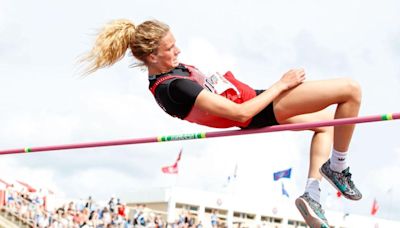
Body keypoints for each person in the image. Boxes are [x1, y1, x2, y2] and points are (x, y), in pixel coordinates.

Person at [80, 19, 362, 227]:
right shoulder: (175, 87)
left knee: (327, 125)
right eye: (170, 47)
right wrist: (282, 84)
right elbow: (240, 114)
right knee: (350, 90)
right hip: (260, 108)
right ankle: (338, 168)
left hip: (259, 103)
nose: (178, 50)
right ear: (153, 56)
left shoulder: (169, 74)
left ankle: (313, 195)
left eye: (175, 43)